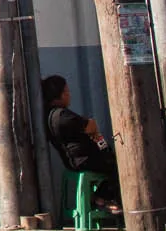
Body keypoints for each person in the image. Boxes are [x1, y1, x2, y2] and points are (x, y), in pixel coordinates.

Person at [42, 75, 118, 206]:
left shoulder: (49, 115)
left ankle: (103, 198)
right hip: (85, 160)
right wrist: (103, 145)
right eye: (67, 91)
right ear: (61, 94)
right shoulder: (61, 115)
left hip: (73, 161)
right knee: (118, 167)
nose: (69, 95)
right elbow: (91, 126)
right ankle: (101, 198)